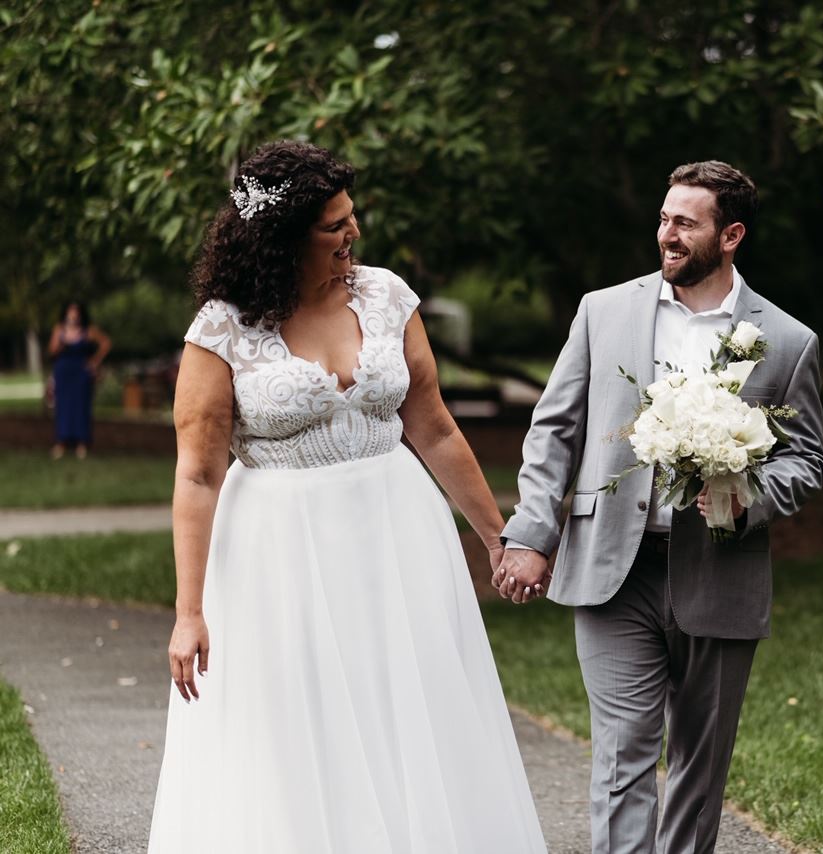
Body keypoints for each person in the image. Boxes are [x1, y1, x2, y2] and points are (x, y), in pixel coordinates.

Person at [148, 140, 546, 853]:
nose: (352, 234)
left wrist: (496, 537)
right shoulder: (222, 327)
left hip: (398, 530)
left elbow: (434, 425)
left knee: (409, 704)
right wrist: (188, 613)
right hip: (280, 550)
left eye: (351, 218)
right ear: (284, 237)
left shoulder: (386, 295)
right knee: (304, 722)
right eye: (334, 226)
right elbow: (197, 474)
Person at [496, 161, 823, 854]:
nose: (666, 235)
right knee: (623, 755)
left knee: (699, 769)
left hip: (719, 568)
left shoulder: (789, 342)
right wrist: (530, 533)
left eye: (685, 223)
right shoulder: (604, 310)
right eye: (663, 219)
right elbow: (555, 428)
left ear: (731, 234)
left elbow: (807, 460)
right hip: (614, 568)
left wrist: (744, 499)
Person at [47, 300, 111, 459]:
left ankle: (82, 443)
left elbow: (106, 343)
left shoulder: (88, 330)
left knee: (81, 407)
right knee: (63, 407)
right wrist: (63, 340)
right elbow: (52, 351)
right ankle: (62, 442)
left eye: (76, 312)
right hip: (63, 373)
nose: (73, 315)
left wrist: (95, 361)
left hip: (81, 373)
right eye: (70, 311)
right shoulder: (59, 329)